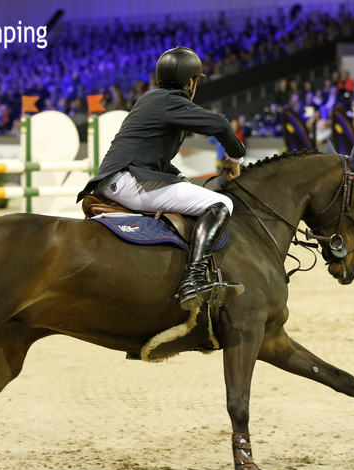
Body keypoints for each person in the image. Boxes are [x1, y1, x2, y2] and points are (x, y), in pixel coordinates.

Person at [77, 47, 246, 311]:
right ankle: (194, 280)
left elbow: (153, 157)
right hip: (130, 182)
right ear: (190, 82)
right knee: (221, 204)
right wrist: (234, 159)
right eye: (196, 81)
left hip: (116, 180)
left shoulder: (150, 99)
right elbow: (221, 124)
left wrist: (179, 177)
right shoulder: (171, 101)